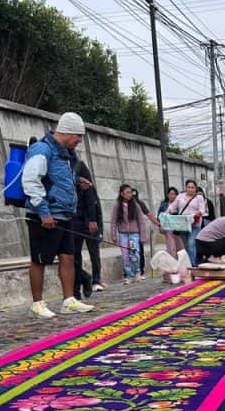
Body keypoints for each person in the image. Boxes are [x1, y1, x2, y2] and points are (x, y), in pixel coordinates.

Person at [22, 112, 94, 318]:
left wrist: (77, 180)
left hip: (65, 214)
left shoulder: (68, 155)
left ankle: (69, 300)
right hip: (44, 215)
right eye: (78, 136)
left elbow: (59, 177)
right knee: (39, 259)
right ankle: (37, 303)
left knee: (68, 257)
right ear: (67, 132)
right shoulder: (42, 150)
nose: (79, 141)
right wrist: (43, 212)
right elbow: (31, 181)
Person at [110, 184, 149, 283]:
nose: (130, 194)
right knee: (125, 255)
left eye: (131, 192)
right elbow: (113, 221)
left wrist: (143, 236)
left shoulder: (135, 205)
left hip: (134, 234)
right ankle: (129, 275)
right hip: (123, 234)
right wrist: (113, 235)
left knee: (134, 253)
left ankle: (137, 273)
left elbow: (141, 221)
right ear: (122, 194)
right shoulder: (117, 206)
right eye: (127, 192)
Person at [72, 160, 99, 301]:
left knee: (74, 256)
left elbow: (90, 198)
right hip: (61, 216)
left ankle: (75, 292)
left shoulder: (78, 166)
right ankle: (84, 276)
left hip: (78, 220)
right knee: (66, 258)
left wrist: (92, 220)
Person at [169, 179, 205, 267]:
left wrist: (196, 214)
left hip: (194, 225)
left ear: (195, 188)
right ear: (185, 188)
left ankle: (192, 265)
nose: (190, 189)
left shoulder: (199, 197)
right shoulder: (180, 197)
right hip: (183, 225)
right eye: (188, 187)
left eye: (192, 187)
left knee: (191, 243)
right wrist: (166, 213)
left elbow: (202, 210)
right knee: (185, 246)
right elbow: (172, 207)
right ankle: (186, 265)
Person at [131, 187, 158, 280]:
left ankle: (141, 271)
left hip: (138, 231)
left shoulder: (140, 204)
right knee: (129, 252)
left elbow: (149, 214)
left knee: (140, 251)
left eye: (135, 197)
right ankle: (130, 273)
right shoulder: (124, 205)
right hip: (128, 232)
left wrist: (157, 223)